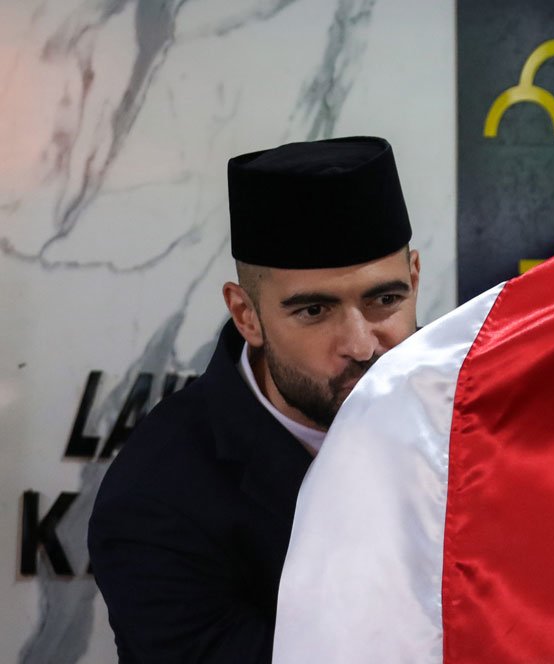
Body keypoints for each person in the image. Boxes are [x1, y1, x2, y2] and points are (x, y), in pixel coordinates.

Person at [88, 137, 421, 663]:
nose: (361, 345)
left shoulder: (479, 417)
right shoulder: (157, 501)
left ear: (415, 279)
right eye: (315, 311)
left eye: (385, 299)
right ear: (247, 316)